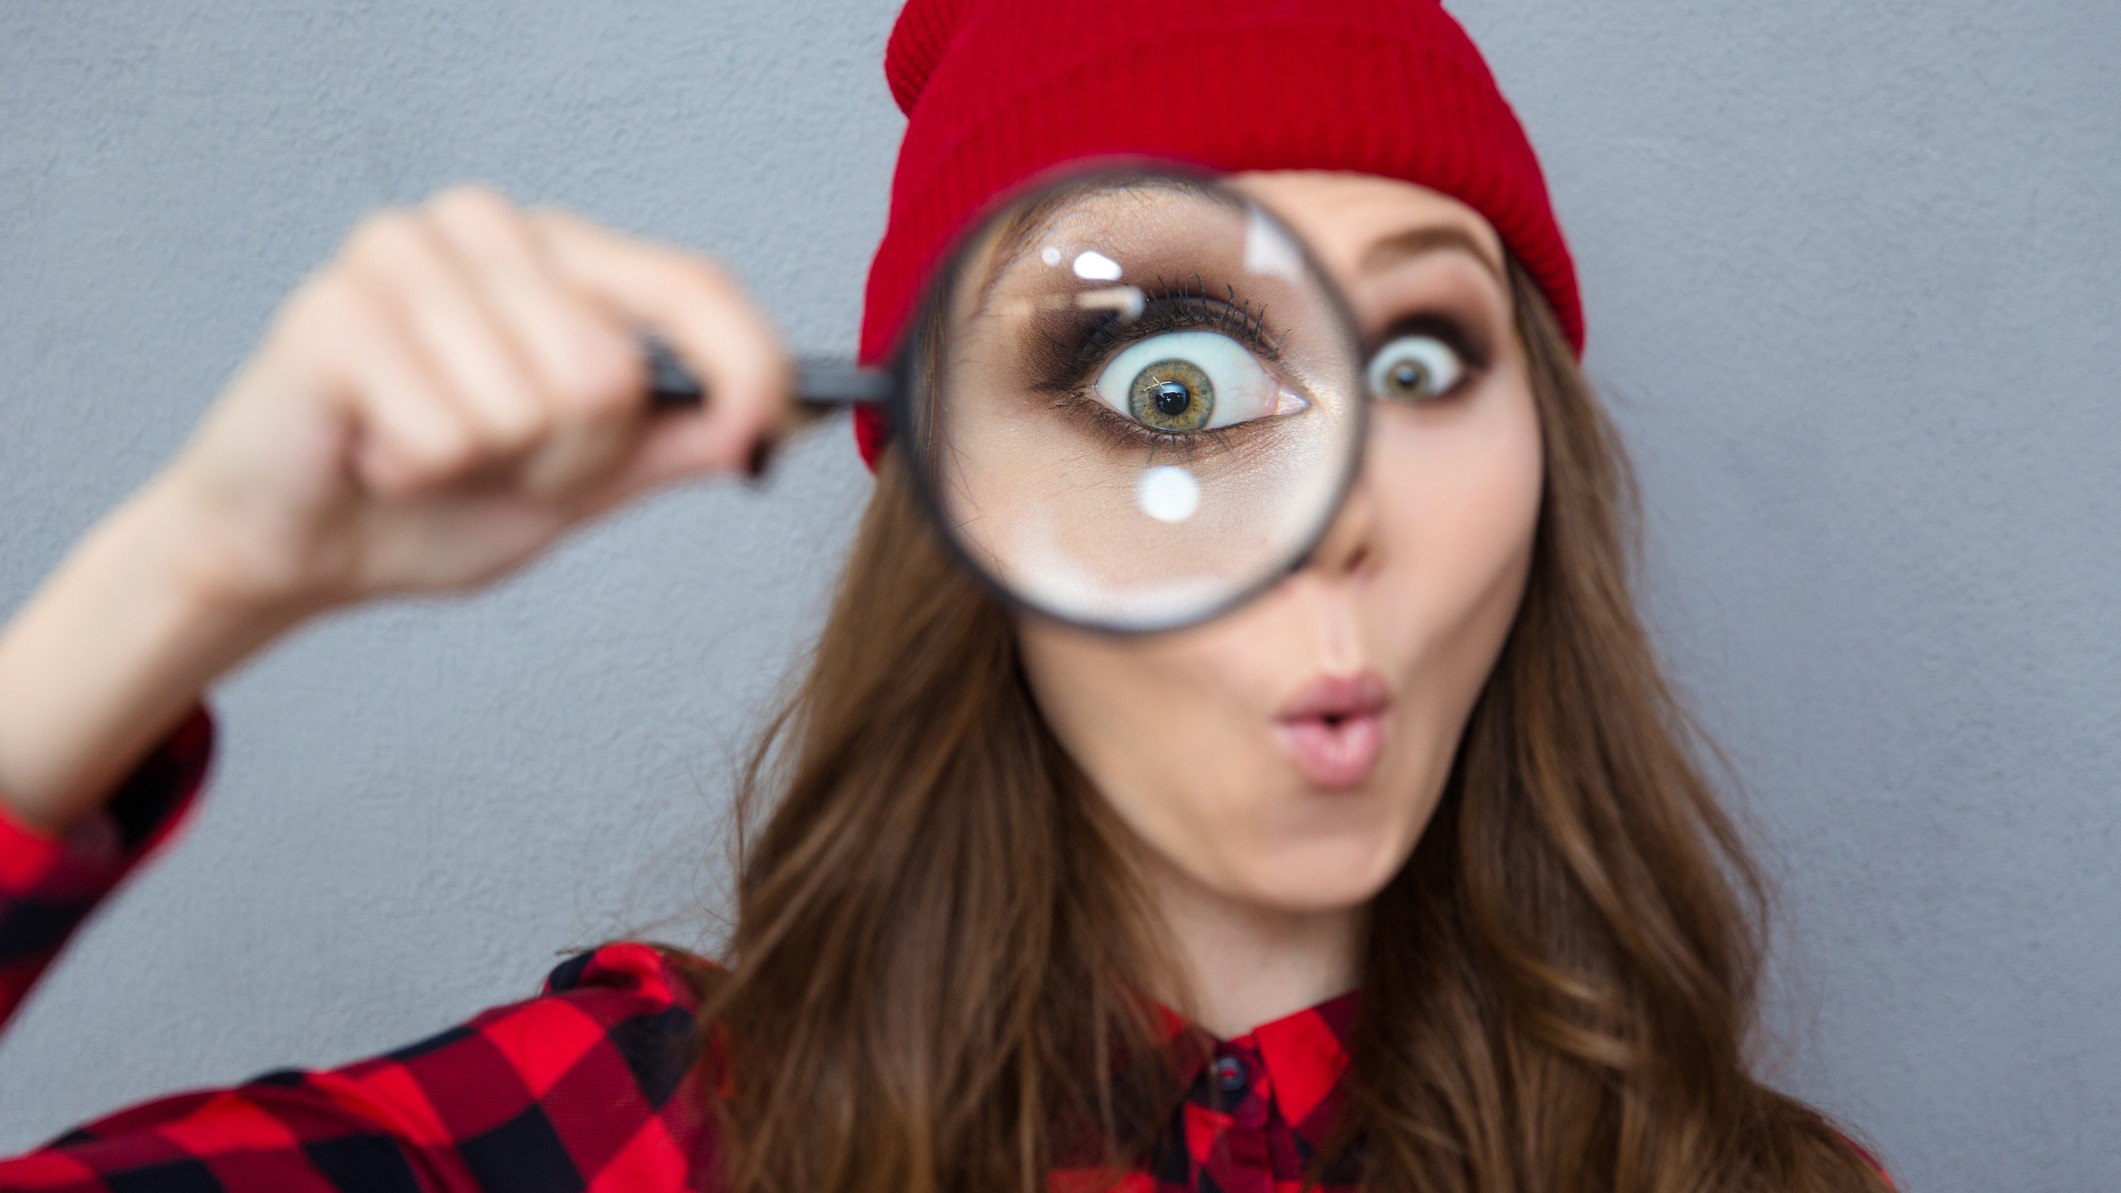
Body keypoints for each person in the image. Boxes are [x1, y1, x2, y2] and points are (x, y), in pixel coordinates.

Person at [0, 0, 1899, 1189]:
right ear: (959, 501)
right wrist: (183, 584)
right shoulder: (633, 1140)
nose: (1337, 521)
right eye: (1171, 387)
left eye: (1414, 361)